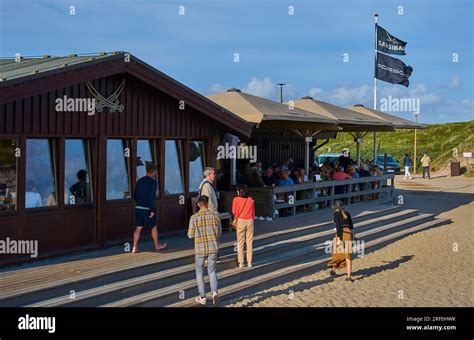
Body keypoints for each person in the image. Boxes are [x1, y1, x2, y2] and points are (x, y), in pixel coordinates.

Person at [188, 195, 222, 306]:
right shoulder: (215, 216)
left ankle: (202, 297)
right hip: (213, 247)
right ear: (207, 203)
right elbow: (219, 233)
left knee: (199, 272)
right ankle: (215, 293)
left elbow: (190, 234)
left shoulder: (194, 218)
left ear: (198, 204)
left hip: (200, 248)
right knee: (212, 271)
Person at [132, 163, 167, 253]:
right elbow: (151, 197)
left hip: (138, 207)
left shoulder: (139, 181)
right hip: (147, 208)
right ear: (154, 172)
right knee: (154, 227)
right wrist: (151, 209)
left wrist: (139, 202)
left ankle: (134, 247)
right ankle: (157, 245)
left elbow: (134, 195)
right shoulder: (153, 182)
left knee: (138, 227)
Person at [327, 200, 354, 282]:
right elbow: (351, 226)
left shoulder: (336, 214)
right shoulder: (347, 213)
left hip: (341, 234)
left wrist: (339, 239)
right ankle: (349, 276)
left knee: (336, 253)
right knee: (348, 255)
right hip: (349, 234)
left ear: (336, 208)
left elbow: (338, 227)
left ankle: (333, 269)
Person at [232, 185, 255, 268]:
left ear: (239, 192)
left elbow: (234, 211)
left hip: (241, 220)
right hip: (250, 220)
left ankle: (241, 262)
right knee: (249, 242)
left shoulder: (236, 199)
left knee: (240, 242)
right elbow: (253, 212)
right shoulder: (250, 199)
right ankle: (249, 262)